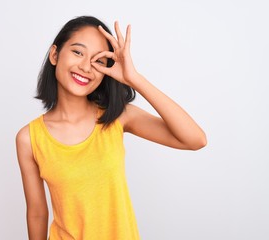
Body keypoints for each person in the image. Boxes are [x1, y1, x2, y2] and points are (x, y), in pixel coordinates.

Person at [15, 16, 207, 240]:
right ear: (55, 55)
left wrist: (133, 78)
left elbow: (195, 140)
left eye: (98, 61)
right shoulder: (29, 138)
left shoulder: (116, 116)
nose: (86, 67)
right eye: (78, 52)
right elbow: (37, 213)